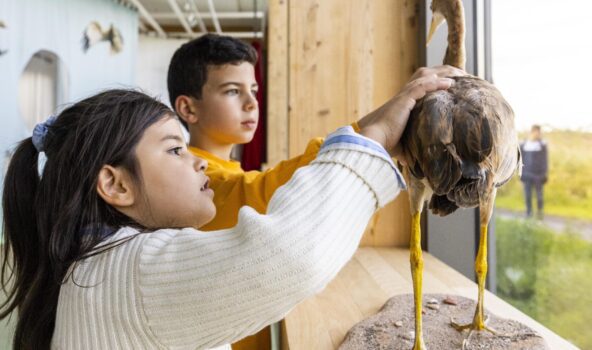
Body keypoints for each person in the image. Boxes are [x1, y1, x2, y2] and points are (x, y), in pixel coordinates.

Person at [0, 66, 456, 349]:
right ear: (115, 185)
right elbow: (288, 256)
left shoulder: (95, 265)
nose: (197, 159)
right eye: (175, 150)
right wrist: (370, 141)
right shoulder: (133, 272)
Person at [167, 34, 362, 230]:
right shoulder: (196, 179)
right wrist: (363, 135)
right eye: (233, 91)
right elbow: (261, 191)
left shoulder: (229, 171)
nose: (252, 103)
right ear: (188, 109)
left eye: (253, 90)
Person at [520, 124, 548, 218]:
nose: (538, 134)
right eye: (536, 132)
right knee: (528, 197)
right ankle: (529, 215)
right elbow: (521, 160)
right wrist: (521, 173)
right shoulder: (524, 144)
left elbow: (545, 160)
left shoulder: (542, 145)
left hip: (538, 175)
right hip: (527, 174)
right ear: (532, 132)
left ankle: (539, 216)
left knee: (539, 197)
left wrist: (544, 174)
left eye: (539, 132)